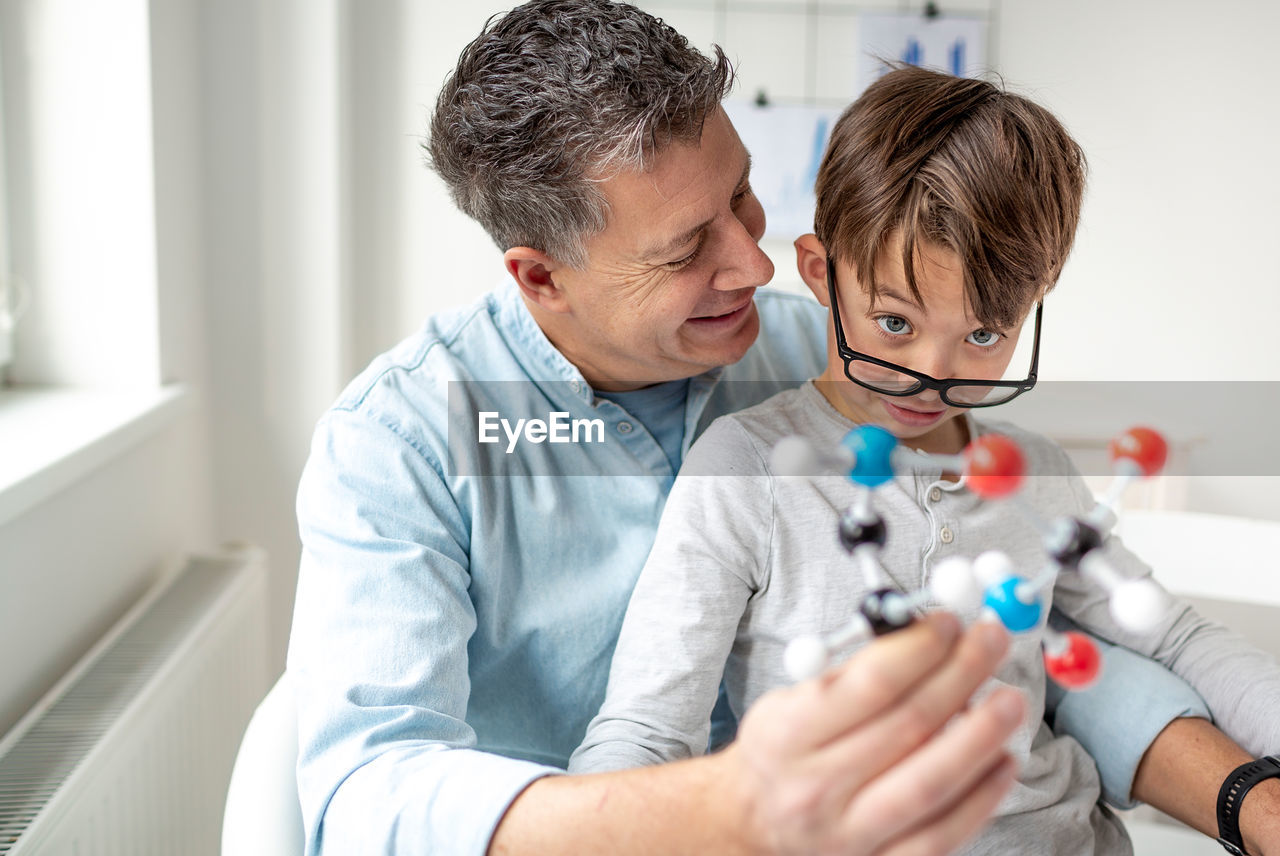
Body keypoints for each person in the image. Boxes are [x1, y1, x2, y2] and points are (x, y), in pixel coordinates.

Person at [287, 3, 1268, 854]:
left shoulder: (842, 354)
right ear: (540, 276)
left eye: (741, 195)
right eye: (685, 249)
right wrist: (710, 813)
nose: (752, 263)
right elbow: (363, 799)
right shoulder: (403, 444)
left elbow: (1039, 623)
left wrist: (1240, 798)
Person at [569, 65, 1280, 854]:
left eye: (982, 335)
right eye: (894, 323)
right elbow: (646, 730)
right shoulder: (747, 471)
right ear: (819, 274)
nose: (934, 375)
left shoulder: (1036, 475)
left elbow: (1176, 640)